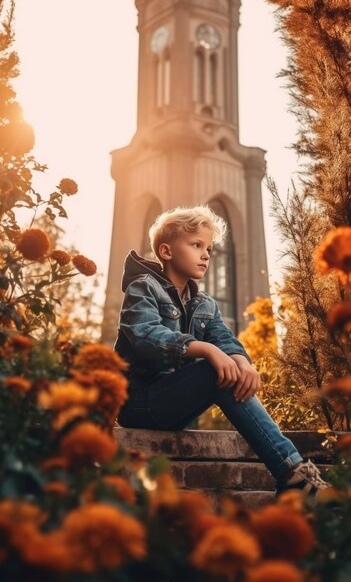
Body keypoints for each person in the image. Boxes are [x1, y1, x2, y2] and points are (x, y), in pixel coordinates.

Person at [115, 205, 328, 496]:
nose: (205, 254)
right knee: (214, 368)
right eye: (196, 245)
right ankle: (293, 474)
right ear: (166, 252)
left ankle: (294, 475)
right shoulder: (143, 288)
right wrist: (206, 350)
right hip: (139, 403)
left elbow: (225, 339)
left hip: (173, 406)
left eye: (209, 249)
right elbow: (146, 336)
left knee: (230, 366)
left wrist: (242, 361)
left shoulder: (204, 303)